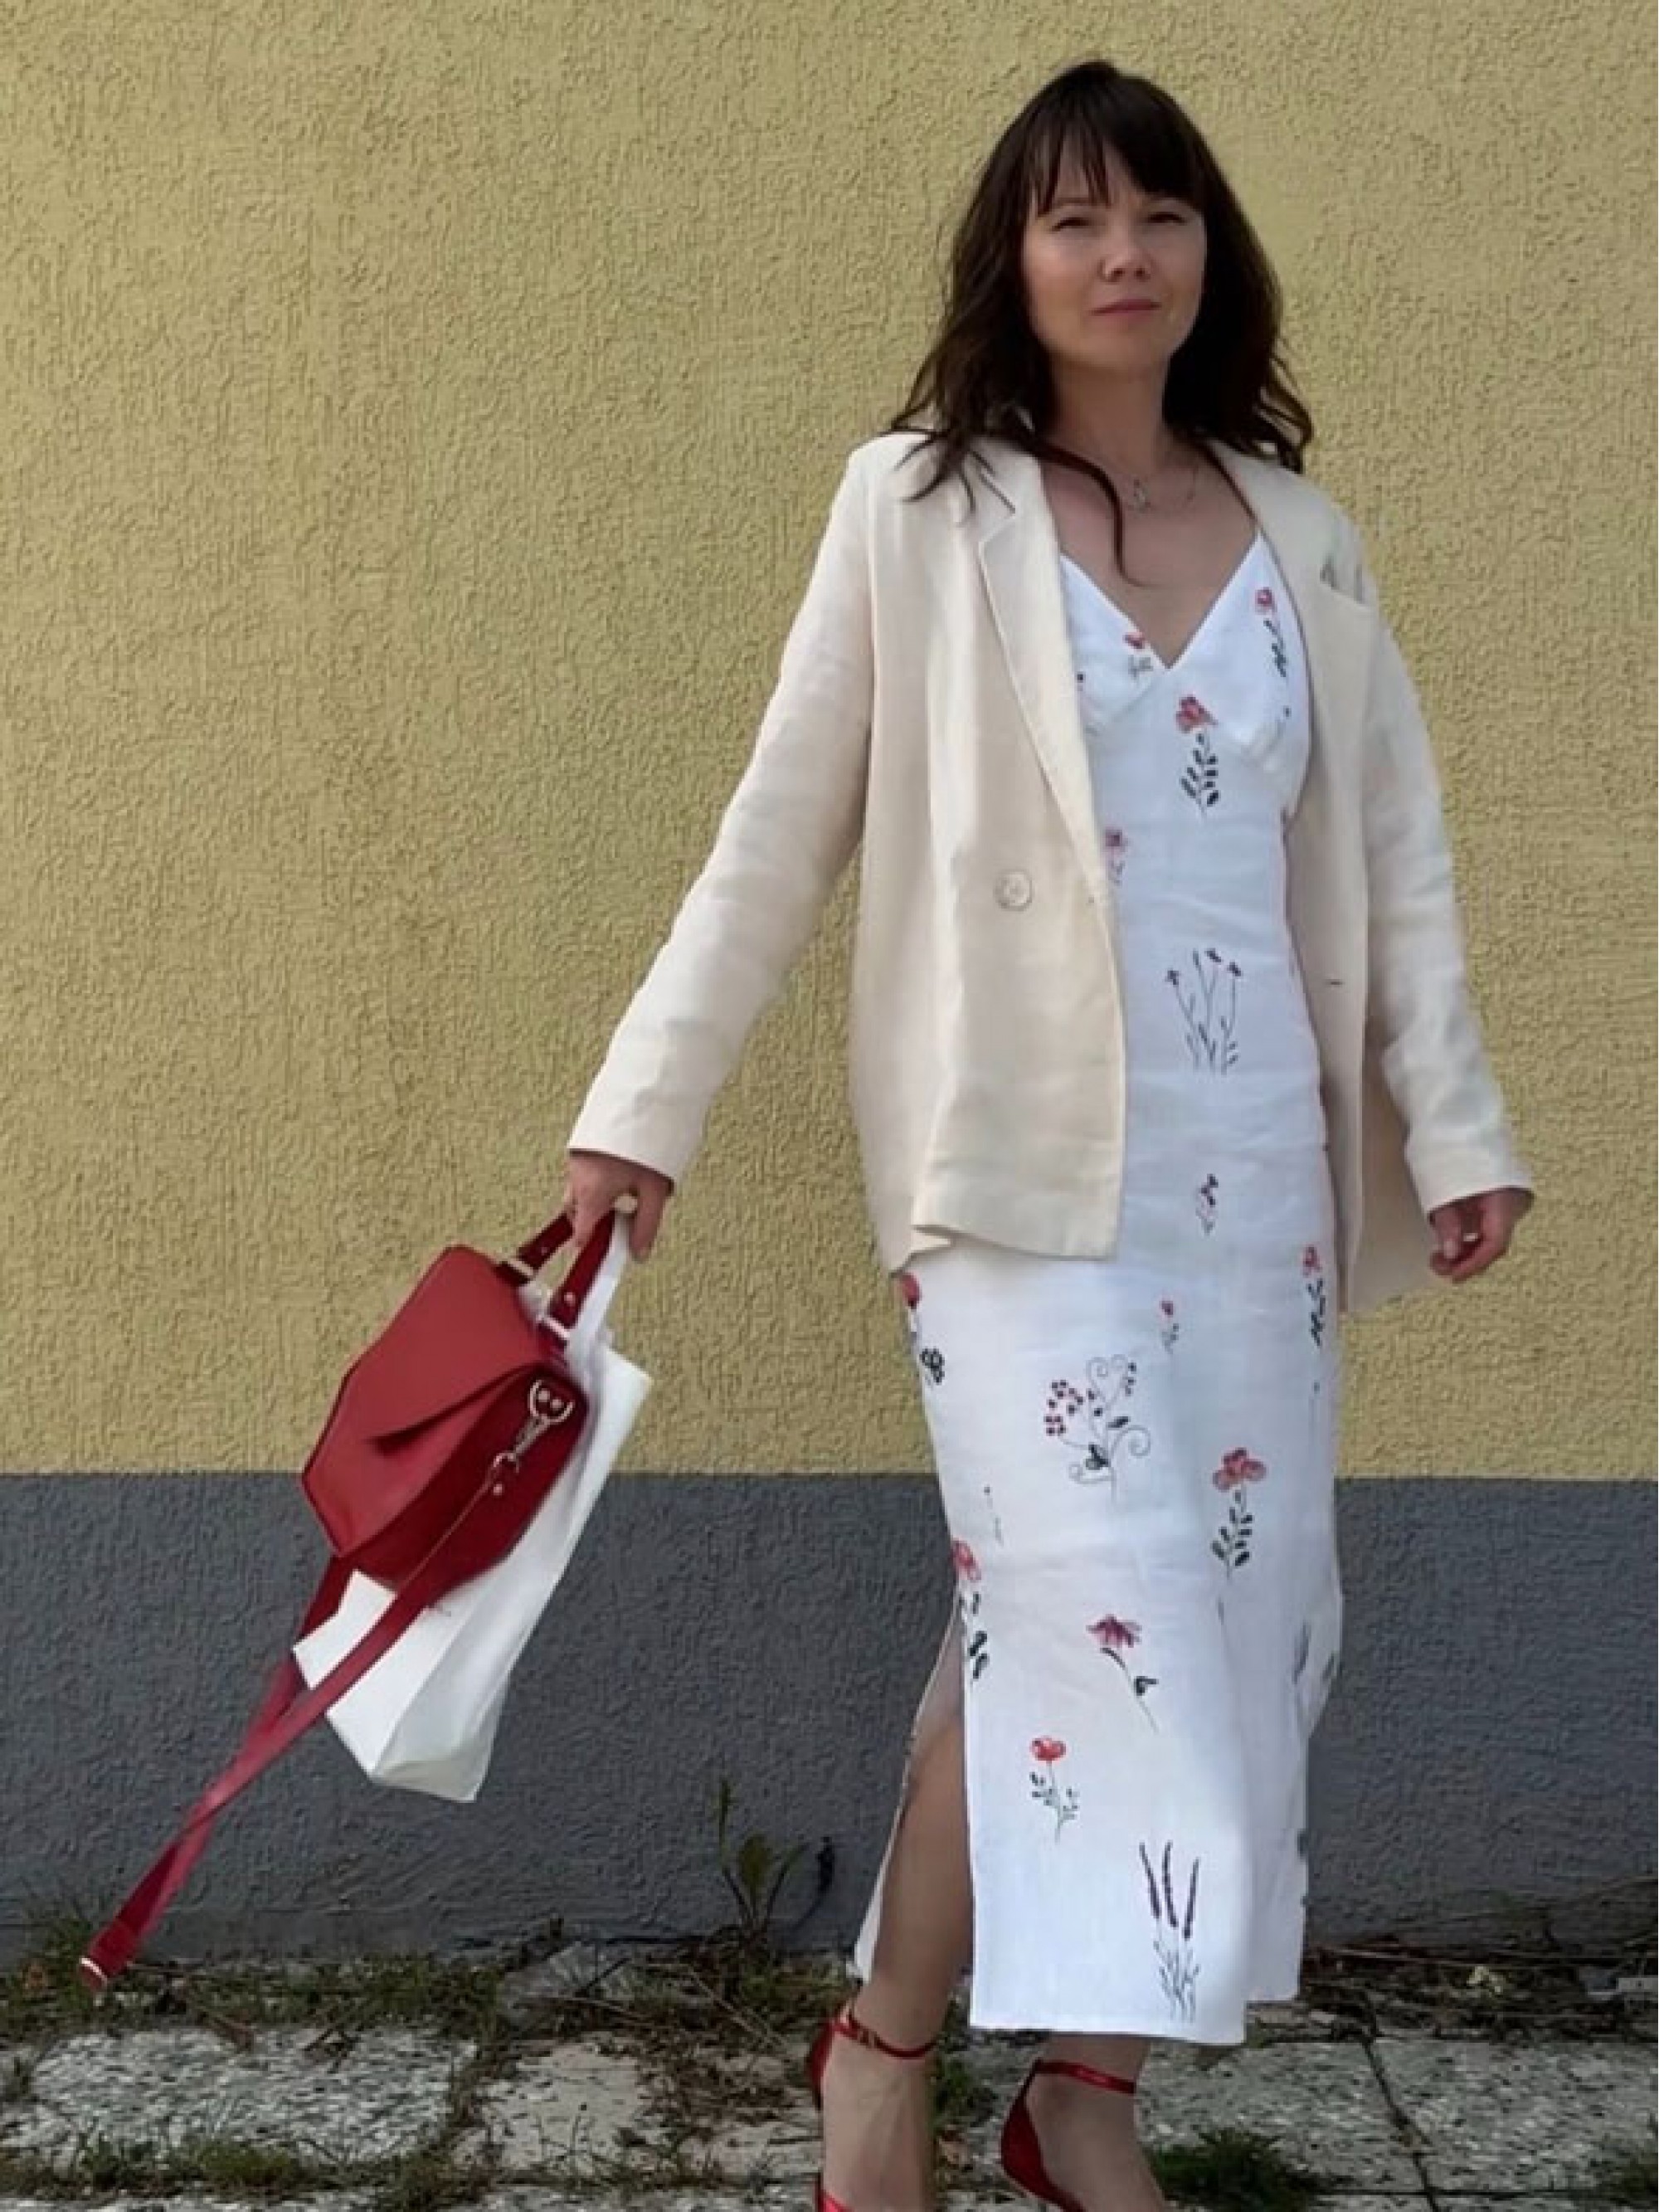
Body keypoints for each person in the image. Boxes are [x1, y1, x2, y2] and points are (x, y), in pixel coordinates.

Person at [562, 56, 1535, 2212]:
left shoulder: (1304, 540)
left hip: (1256, 1186)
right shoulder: (919, 510)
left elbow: (1395, 860)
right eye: (1076, 218)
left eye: (1161, 214)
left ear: (1210, 253)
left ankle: (1084, 2096)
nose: (1124, 254)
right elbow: (774, 837)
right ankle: (881, 2062)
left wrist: (1454, 1126)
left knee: (1239, 1635)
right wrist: (644, 1115)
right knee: (1098, 1609)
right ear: (1013, 261)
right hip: (1013, 1192)